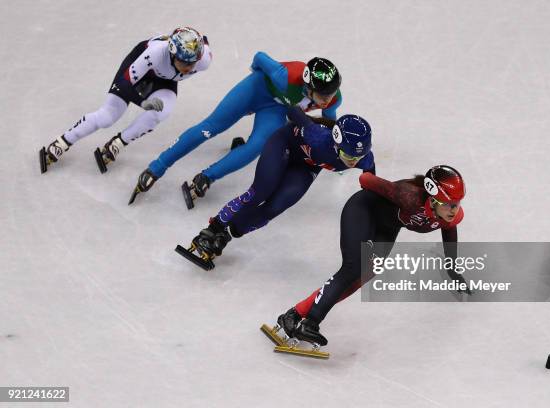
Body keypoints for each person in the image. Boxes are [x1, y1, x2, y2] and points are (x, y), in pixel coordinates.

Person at [273, 165, 467, 347]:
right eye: (449, 204)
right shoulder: (408, 196)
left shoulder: (452, 215)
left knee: (362, 276)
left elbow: (449, 232)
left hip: (387, 228)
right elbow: (366, 179)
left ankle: (293, 315)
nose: (454, 210)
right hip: (362, 210)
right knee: (353, 267)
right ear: (433, 199)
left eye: (457, 203)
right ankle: (312, 323)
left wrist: (451, 269)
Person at [177, 106, 374, 270]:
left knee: (275, 207)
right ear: (336, 145)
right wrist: (304, 116)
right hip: (284, 144)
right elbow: (292, 111)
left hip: (306, 166)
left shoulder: (363, 158)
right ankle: (214, 228)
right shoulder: (319, 137)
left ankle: (227, 235)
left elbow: (371, 183)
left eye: (356, 158)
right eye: (349, 157)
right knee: (261, 191)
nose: (353, 162)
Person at [129, 53, 342, 204]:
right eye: (323, 96)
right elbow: (259, 57)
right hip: (256, 89)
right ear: (308, 86)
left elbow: (329, 126)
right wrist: (249, 95)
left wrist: (334, 154)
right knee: (210, 128)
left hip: (275, 108)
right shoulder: (285, 75)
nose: (327, 101)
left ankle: (207, 177)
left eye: (331, 95)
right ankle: (156, 167)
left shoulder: (332, 99)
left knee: (257, 146)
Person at [39, 27, 212, 174]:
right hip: (140, 70)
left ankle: (118, 143)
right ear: (173, 54)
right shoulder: (153, 54)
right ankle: (63, 141)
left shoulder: (203, 60)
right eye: (186, 63)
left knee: (162, 112)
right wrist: (142, 102)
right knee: (108, 116)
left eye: (194, 62)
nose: (191, 68)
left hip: (165, 79)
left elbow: (204, 40)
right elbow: (125, 83)